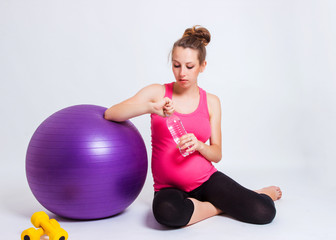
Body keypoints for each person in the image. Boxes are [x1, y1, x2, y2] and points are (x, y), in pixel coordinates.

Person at [104, 25, 282, 228]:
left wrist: (199, 145)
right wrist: (150, 107)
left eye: (189, 66)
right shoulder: (157, 93)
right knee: (167, 214)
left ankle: (255, 194)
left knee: (264, 211)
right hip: (168, 187)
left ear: (202, 66)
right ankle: (222, 205)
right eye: (176, 65)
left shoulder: (212, 101)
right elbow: (112, 113)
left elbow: (216, 154)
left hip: (205, 179)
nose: (182, 73)